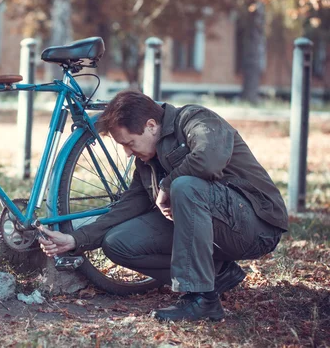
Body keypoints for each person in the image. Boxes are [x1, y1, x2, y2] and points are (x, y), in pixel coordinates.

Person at [38, 90, 288, 321]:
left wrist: (167, 185)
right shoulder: (147, 161)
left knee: (185, 186)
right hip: (216, 229)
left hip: (257, 227)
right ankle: (218, 274)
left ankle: (201, 299)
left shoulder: (196, 119)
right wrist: (75, 240)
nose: (127, 152)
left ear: (151, 126)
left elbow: (208, 161)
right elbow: (128, 206)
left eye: (129, 143)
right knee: (118, 243)